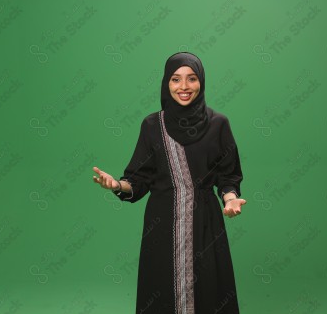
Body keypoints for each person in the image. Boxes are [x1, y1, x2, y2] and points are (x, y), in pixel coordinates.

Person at [93, 51, 246, 313]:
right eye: (176, 80)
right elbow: (139, 178)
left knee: (210, 288)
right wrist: (118, 186)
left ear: (202, 82)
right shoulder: (153, 125)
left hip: (205, 223)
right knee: (160, 289)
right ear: (166, 83)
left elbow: (228, 175)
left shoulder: (218, 124)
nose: (184, 87)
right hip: (162, 224)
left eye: (192, 79)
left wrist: (230, 198)